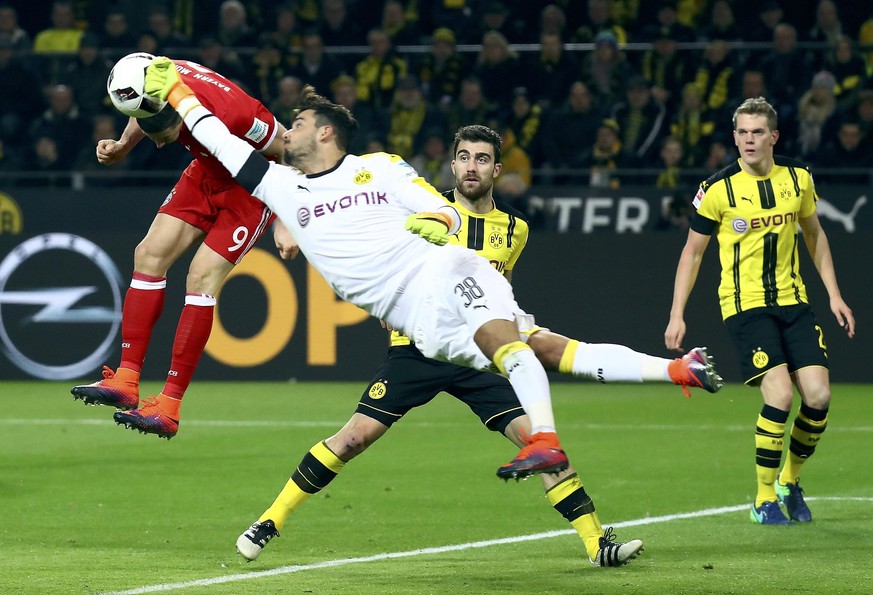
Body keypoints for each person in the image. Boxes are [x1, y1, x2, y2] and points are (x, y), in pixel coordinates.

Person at [142, 58, 722, 484]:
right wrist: (185, 101)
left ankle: (545, 441)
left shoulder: (378, 168)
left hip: (442, 273)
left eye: (295, 124)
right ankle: (677, 370)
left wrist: (438, 222)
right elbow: (222, 145)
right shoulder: (284, 189)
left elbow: (437, 204)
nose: (283, 132)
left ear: (325, 132)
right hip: (417, 322)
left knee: (508, 344)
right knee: (548, 349)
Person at [231, 123, 715, 565]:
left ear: (496, 170)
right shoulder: (420, 205)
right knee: (353, 438)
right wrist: (286, 222)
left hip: (480, 354)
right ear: (453, 164)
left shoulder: (515, 230)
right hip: (416, 348)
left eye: (481, 159)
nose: (470, 166)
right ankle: (269, 519)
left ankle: (596, 542)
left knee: (537, 439)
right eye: (463, 157)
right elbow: (346, 223)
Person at [70, 56, 298, 440]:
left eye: (164, 129)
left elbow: (291, 149)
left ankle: (170, 405)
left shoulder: (235, 114)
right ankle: (126, 378)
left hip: (252, 188)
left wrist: (289, 219)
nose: (159, 141)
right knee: (148, 254)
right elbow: (144, 103)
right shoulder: (154, 74)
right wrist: (126, 143)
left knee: (200, 276)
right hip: (206, 171)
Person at [664, 97, 856, 526]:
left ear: (774, 136)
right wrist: (677, 313)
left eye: (757, 132)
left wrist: (834, 295)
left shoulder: (799, 178)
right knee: (781, 396)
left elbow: (815, 235)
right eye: (742, 133)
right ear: (734, 137)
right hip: (745, 306)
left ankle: (789, 480)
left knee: (819, 397)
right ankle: (763, 498)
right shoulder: (717, 189)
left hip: (794, 301)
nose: (749, 140)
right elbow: (692, 254)